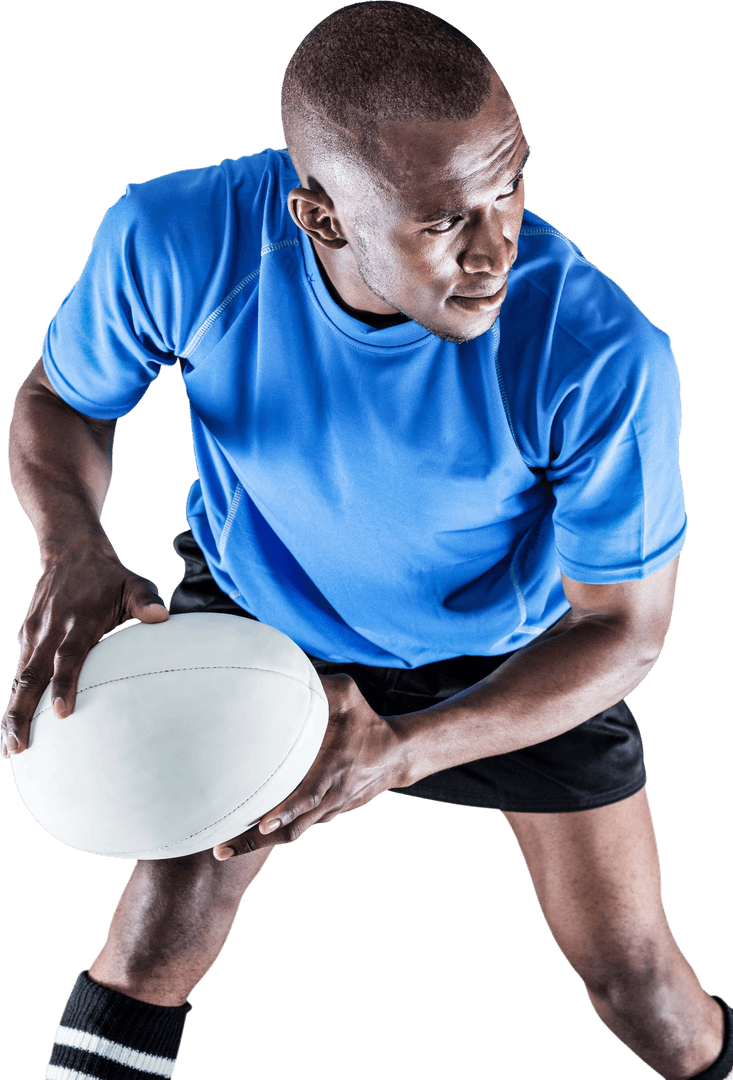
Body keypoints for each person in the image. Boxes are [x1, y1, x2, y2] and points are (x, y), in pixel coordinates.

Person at [3, 2, 731, 1077]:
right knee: (156, 931)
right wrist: (73, 544)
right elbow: (63, 399)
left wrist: (404, 751)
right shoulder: (180, 240)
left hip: (511, 654)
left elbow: (623, 629)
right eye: (443, 222)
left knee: (637, 990)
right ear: (323, 219)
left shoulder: (597, 353)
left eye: (510, 185)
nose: (495, 247)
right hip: (270, 617)